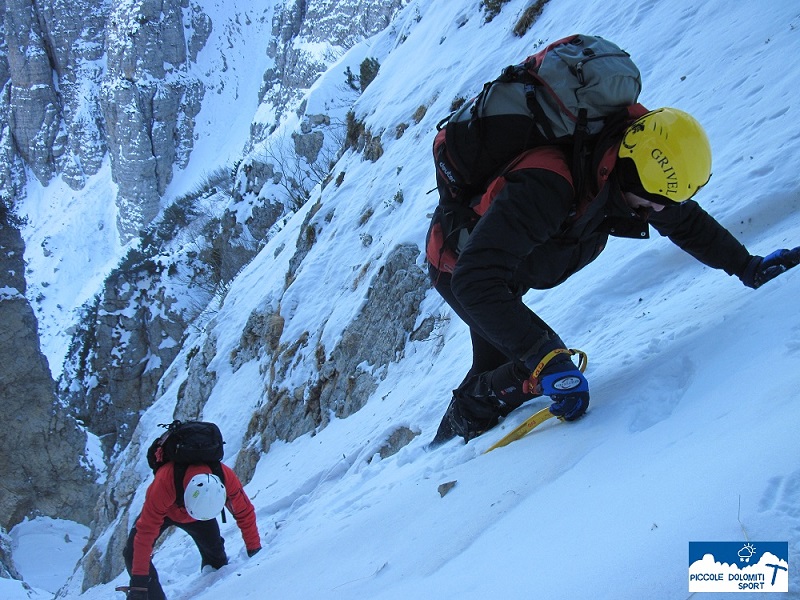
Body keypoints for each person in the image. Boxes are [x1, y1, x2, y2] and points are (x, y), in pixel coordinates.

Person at [426, 106, 800, 446]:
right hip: (461, 265)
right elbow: (475, 281)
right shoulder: (549, 184)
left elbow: (686, 223)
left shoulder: (627, 171)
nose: (656, 211)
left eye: (664, 203)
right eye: (653, 201)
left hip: (503, 264)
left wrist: (747, 266)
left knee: (509, 363)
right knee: (540, 363)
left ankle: (449, 436)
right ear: (628, 173)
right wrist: (548, 359)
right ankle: (446, 443)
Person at [123, 461, 262, 599]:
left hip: (201, 515)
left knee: (217, 560)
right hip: (165, 511)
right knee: (132, 552)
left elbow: (244, 512)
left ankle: (214, 578)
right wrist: (139, 585)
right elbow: (144, 534)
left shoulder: (224, 476)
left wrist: (254, 548)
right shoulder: (164, 484)